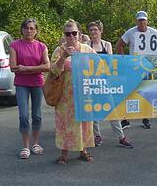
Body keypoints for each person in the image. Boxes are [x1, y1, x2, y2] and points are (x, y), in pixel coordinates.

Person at [50, 20, 95, 164]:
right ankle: (63, 154)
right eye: (68, 34)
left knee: (84, 122)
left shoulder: (87, 50)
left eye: (74, 33)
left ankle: (83, 151)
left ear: (79, 34)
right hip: (65, 95)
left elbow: (100, 66)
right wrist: (64, 56)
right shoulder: (59, 51)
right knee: (65, 123)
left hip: (84, 94)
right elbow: (53, 71)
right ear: (64, 35)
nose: (71, 36)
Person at [87, 20, 133, 148]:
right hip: (91, 81)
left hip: (105, 81)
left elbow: (110, 62)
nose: (93, 32)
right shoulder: (87, 44)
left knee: (112, 109)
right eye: (91, 30)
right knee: (93, 109)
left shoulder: (106, 45)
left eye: (95, 29)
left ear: (101, 31)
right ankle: (97, 135)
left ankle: (121, 137)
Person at [9, 18, 49, 159]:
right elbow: (13, 67)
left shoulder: (41, 46)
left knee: (37, 115)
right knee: (24, 115)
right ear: (22, 30)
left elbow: (47, 66)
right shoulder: (14, 45)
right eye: (26, 28)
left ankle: (35, 143)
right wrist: (36, 68)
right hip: (21, 83)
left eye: (32, 28)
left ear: (36, 31)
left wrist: (25, 68)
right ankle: (25, 146)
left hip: (37, 83)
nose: (29, 30)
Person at [116, 10, 157, 130]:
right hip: (133, 68)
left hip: (147, 67)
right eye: (140, 20)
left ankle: (146, 118)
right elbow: (119, 45)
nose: (142, 23)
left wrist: (155, 62)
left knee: (146, 93)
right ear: (136, 21)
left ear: (147, 21)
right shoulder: (131, 32)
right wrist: (124, 60)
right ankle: (125, 119)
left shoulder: (154, 32)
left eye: (143, 20)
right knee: (129, 92)